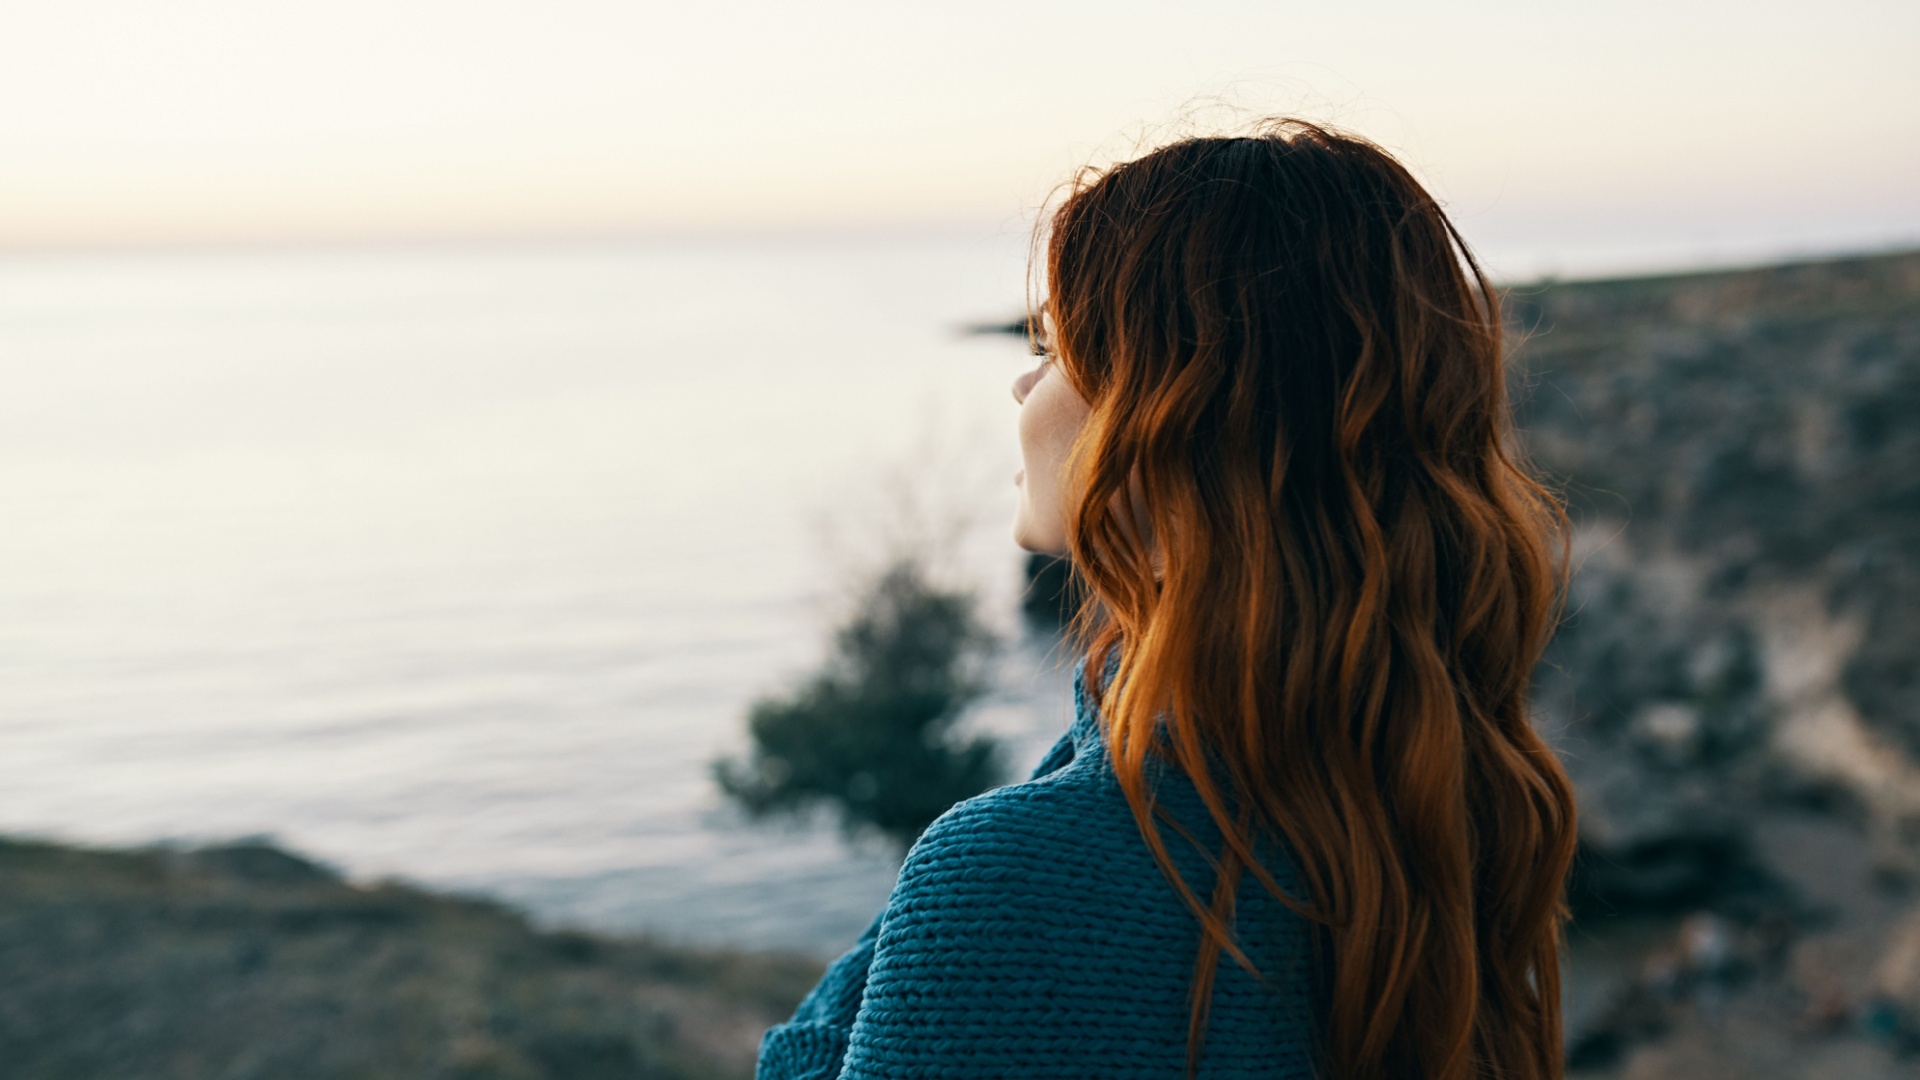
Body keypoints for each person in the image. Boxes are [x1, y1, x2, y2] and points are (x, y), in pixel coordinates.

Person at [756, 120, 1578, 1080]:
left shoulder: (1018, 876)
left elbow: (811, 1050)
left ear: (1168, 443)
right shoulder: (1442, 805)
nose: (1023, 380)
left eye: (1055, 345)